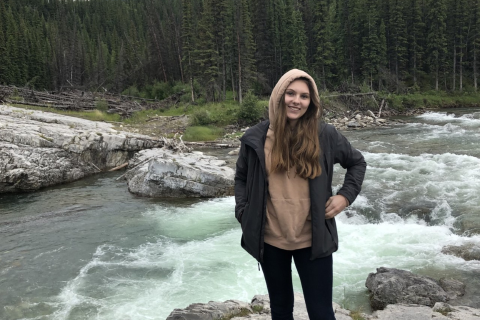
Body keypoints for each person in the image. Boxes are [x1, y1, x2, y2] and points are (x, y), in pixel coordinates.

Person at [234, 69, 366, 320]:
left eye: (304, 96)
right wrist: (243, 211)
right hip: (270, 239)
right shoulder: (254, 138)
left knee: (321, 313)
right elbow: (241, 178)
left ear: (311, 102)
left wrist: (345, 196)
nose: (297, 100)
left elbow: (357, 163)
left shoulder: (324, 134)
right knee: (281, 310)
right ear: (278, 96)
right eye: (291, 93)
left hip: (313, 240)